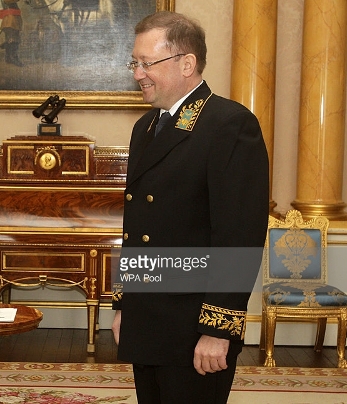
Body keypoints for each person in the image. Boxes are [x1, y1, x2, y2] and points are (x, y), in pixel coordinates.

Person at [111, 11, 269, 404]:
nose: (138, 73)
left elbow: (239, 236)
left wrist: (219, 328)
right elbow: (139, 227)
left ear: (187, 63)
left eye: (147, 63)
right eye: (135, 62)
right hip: (148, 317)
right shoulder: (145, 128)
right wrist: (126, 305)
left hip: (195, 325)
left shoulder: (229, 124)